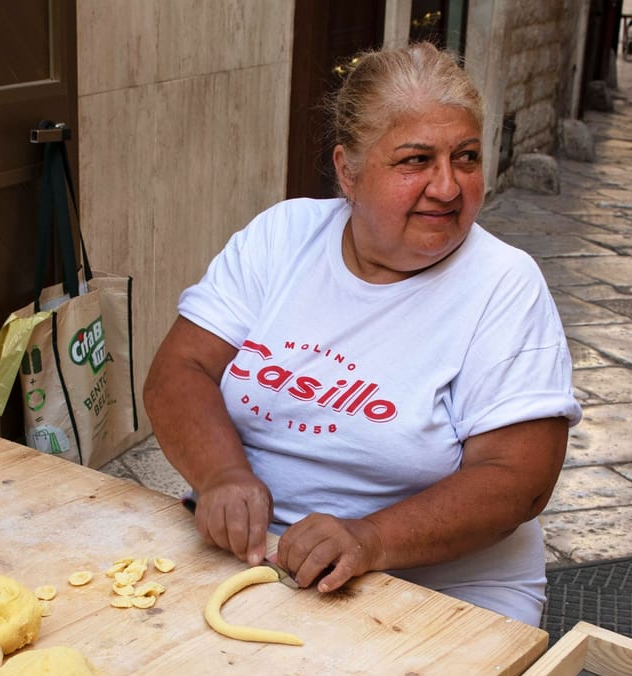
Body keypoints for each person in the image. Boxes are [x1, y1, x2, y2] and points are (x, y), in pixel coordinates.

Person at [144, 42, 581, 627]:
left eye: (466, 158)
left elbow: (516, 481)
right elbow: (181, 371)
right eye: (415, 161)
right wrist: (221, 475)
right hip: (252, 556)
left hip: (438, 590)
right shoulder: (282, 237)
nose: (448, 187)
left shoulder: (503, 285)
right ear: (348, 171)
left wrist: (369, 538)